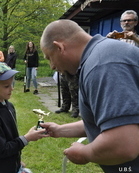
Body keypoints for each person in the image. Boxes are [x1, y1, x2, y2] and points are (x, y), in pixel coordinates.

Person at [40, 19, 139, 173]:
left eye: (49, 58)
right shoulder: (99, 57)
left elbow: (124, 145)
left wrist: (85, 153)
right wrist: (60, 130)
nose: (52, 66)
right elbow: (110, 120)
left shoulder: (102, 65)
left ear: (60, 47)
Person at [0, 61, 47, 173]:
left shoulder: (8, 106)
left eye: (12, 84)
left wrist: (16, 161)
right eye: (6, 86)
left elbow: (11, 140)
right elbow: (2, 150)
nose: (12, 88)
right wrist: (27, 138)